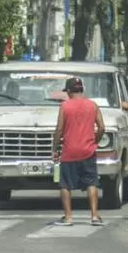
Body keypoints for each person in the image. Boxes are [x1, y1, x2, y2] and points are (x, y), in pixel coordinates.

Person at [51, 77, 105, 226]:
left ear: (69, 91)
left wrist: (55, 148)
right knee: (91, 182)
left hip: (69, 152)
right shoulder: (93, 105)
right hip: (88, 151)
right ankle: (94, 216)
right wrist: (95, 141)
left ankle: (68, 217)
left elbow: (59, 129)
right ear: (82, 89)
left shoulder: (65, 107)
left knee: (65, 185)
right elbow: (102, 127)